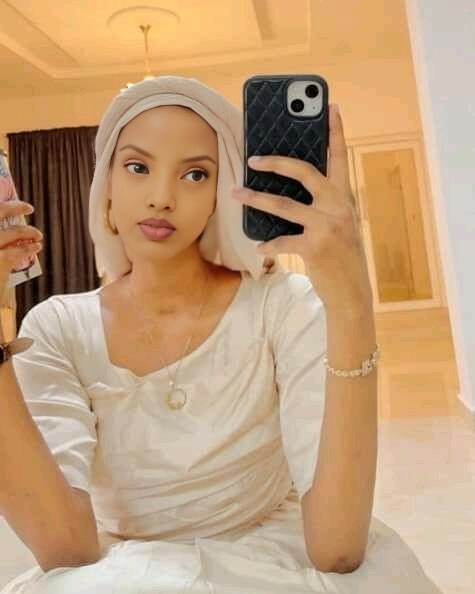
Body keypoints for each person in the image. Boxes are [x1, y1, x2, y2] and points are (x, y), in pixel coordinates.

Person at [0, 76, 442, 593]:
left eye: (195, 174)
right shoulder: (57, 327)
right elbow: (65, 548)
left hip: (276, 562)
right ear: (107, 186)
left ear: (219, 193)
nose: (161, 198)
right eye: (138, 167)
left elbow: (337, 548)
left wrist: (351, 304)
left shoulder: (281, 305)